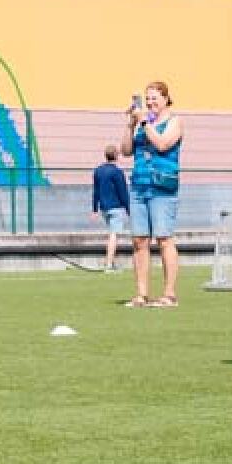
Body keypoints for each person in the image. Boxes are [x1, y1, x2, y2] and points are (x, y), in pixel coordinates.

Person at [118, 82, 183, 308]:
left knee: (164, 239)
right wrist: (131, 125)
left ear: (165, 99)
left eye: (154, 98)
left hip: (162, 188)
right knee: (139, 240)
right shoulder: (142, 124)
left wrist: (145, 122)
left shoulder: (174, 121)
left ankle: (169, 294)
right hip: (139, 186)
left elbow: (163, 144)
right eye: (147, 99)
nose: (150, 102)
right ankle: (141, 294)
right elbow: (126, 150)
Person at [90, 144, 130, 273]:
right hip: (116, 207)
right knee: (114, 235)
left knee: (112, 233)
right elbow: (123, 192)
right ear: (116, 156)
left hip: (104, 208)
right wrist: (129, 209)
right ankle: (108, 265)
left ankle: (111, 263)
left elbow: (95, 191)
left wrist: (95, 209)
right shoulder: (117, 172)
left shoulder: (98, 171)